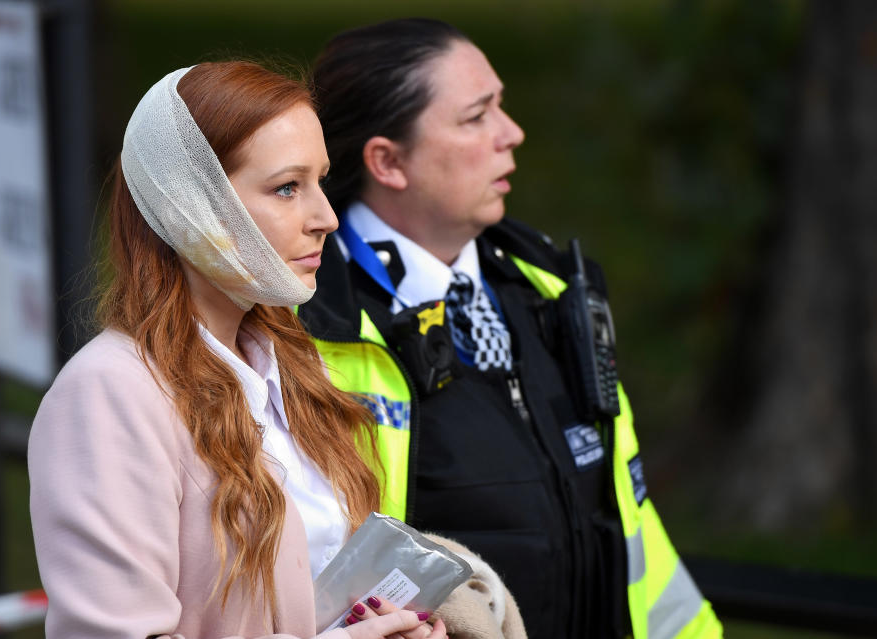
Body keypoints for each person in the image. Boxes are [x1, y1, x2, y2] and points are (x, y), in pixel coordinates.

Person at [298, 18, 723, 639]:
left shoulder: (551, 289)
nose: (512, 133)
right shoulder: (306, 323)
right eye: (476, 117)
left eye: (501, 106)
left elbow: (630, 526)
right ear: (388, 161)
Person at [27, 60, 448, 639]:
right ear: (194, 205)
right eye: (287, 188)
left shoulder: (294, 366)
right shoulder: (109, 392)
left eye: (321, 181)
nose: (325, 217)